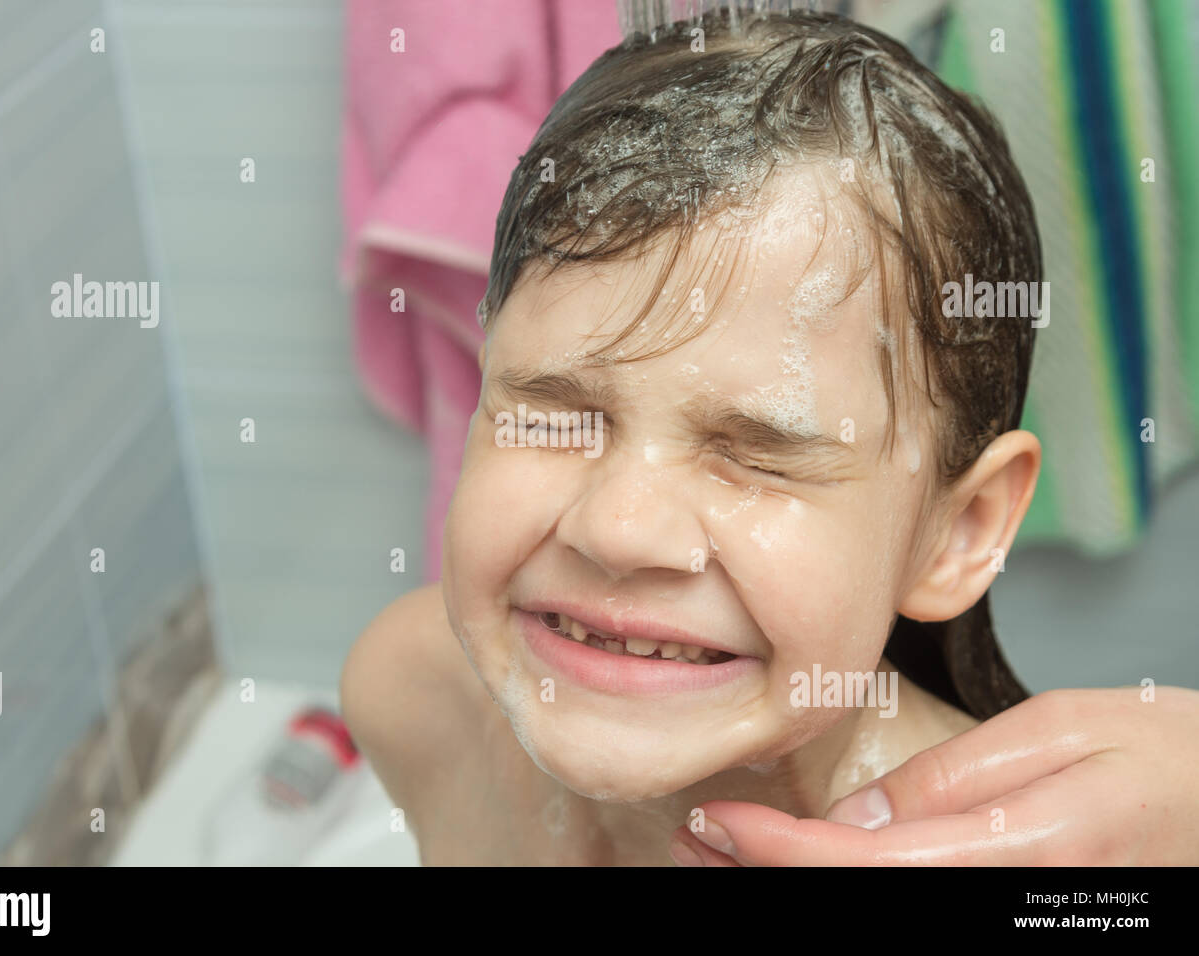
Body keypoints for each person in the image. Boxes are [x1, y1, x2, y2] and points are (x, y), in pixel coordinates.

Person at [340, 8, 1199, 865]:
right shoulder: (415, 691)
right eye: (553, 418)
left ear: (960, 532)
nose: (617, 528)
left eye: (754, 455)